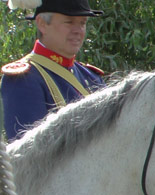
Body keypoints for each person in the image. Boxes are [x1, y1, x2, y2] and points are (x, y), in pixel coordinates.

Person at [1, 0, 105, 141]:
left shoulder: (92, 77)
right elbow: (28, 150)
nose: (78, 30)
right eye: (69, 22)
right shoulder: (23, 79)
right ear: (42, 24)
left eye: (82, 23)